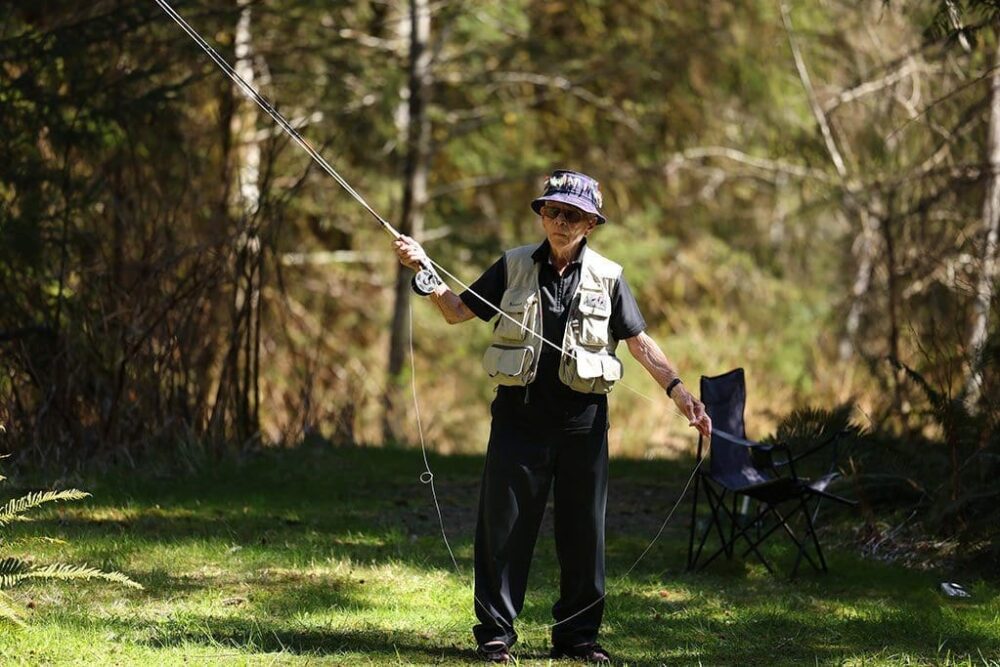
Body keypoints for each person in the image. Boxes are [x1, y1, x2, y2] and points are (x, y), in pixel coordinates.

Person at [393, 169, 712, 664]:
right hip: (518, 421)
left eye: (573, 215)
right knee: (503, 529)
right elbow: (455, 311)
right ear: (542, 215)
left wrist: (679, 392)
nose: (560, 221)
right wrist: (424, 269)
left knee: (584, 532)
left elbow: (638, 341)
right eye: (552, 211)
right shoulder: (513, 265)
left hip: (582, 426)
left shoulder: (609, 277)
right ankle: (496, 635)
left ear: (591, 224)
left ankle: (577, 638)